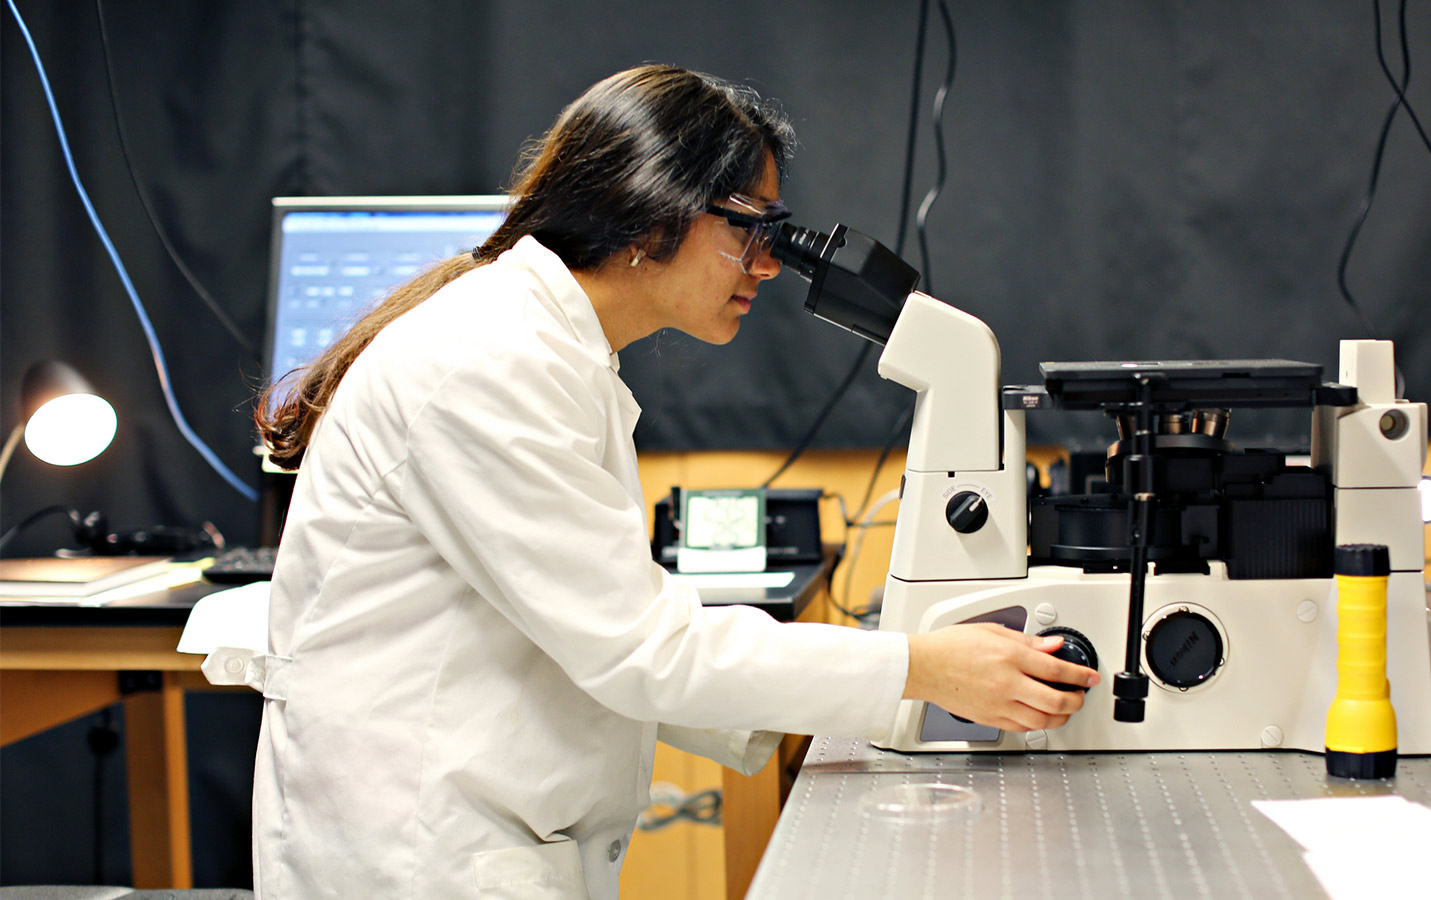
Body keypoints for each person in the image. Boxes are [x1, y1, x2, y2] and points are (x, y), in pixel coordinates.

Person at [250, 65, 1096, 900]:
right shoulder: (487, 362)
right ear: (651, 208)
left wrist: (890, 688)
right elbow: (642, 650)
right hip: (416, 855)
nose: (767, 266)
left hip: (472, 831)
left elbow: (611, 633)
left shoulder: (549, 351)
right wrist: (917, 669)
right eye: (752, 229)